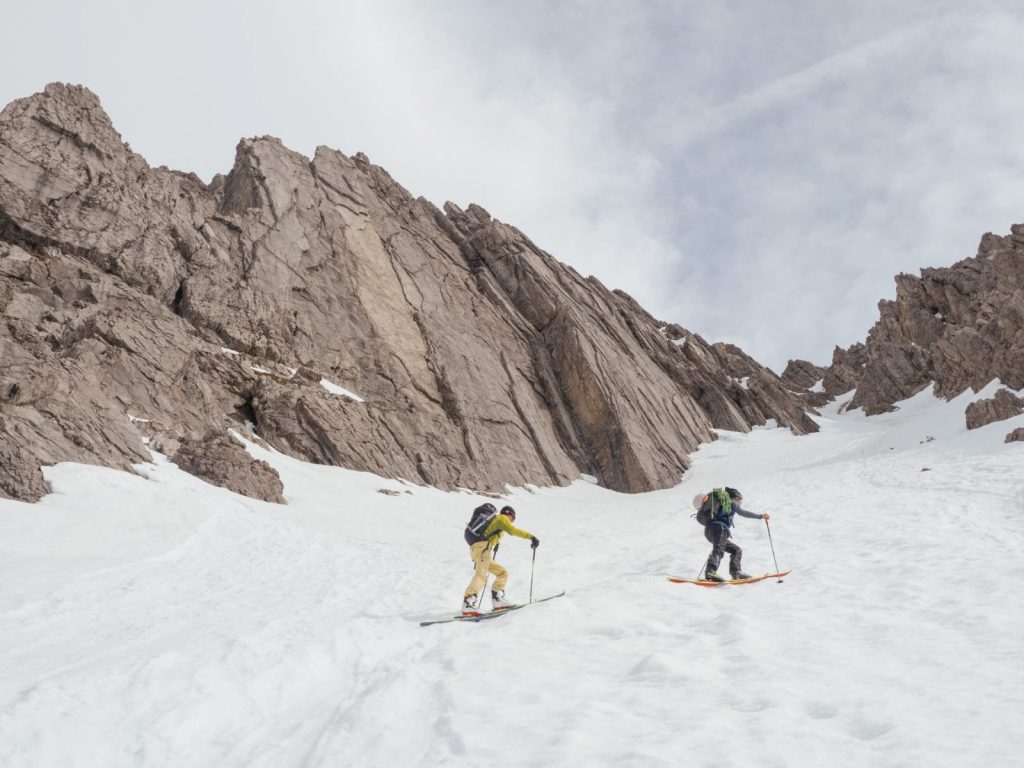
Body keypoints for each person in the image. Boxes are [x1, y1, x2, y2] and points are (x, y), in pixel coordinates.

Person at [463, 504, 539, 615]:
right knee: (481, 575)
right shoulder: (502, 518)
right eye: (512, 519)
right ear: (509, 514)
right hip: (482, 549)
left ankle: (497, 601)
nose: (512, 522)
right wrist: (531, 537)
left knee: (502, 573)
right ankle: (468, 604)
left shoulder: (497, 522)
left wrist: (495, 543)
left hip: (482, 549)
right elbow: (513, 531)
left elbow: (491, 533)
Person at [692, 487, 769, 582]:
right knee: (719, 549)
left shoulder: (720, 505)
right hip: (719, 529)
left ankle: (736, 572)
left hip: (709, 531)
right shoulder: (732, 503)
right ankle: (710, 571)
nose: (740, 503)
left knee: (736, 550)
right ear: (737, 498)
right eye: (740, 500)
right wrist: (760, 516)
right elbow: (742, 512)